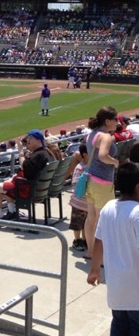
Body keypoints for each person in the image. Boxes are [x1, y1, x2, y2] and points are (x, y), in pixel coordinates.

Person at [87, 162, 139, 335]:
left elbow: (99, 241)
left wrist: (94, 270)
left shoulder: (108, 207)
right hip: (136, 291)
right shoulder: (137, 213)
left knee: (119, 324)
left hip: (116, 288)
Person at [0, 129, 54, 220]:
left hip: (29, 191)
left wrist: (21, 152)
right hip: (40, 189)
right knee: (7, 184)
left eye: (30, 138)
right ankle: (12, 212)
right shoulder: (45, 153)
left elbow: (24, 167)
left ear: (38, 140)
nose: (28, 141)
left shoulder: (38, 155)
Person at [83, 106, 119, 261]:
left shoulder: (91, 135)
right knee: (103, 219)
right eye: (115, 119)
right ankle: (100, 256)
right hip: (102, 182)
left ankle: (91, 251)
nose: (118, 122)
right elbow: (104, 155)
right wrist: (115, 162)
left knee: (91, 218)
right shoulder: (105, 136)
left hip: (91, 180)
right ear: (107, 121)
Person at [68, 144, 89, 251]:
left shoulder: (93, 166)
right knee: (77, 223)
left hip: (88, 203)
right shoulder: (80, 167)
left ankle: (86, 240)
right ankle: (77, 240)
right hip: (78, 202)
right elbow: (75, 183)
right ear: (85, 155)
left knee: (86, 223)